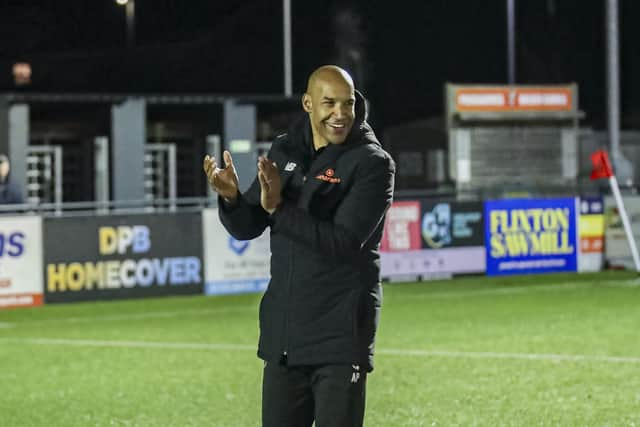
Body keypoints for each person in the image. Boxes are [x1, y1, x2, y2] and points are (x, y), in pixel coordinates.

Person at [203, 65, 395, 427]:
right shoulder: (285, 149)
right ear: (308, 104)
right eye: (329, 103)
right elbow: (249, 226)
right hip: (285, 340)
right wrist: (231, 198)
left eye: (348, 104)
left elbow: (344, 242)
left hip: (339, 338)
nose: (341, 114)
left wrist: (279, 207)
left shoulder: (373, 164)